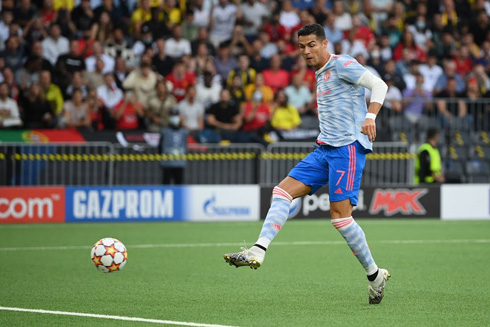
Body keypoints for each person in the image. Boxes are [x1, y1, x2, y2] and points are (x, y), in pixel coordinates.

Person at [224, 23, 391, 304]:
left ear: (325, 44)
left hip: (347, 148)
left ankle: (374, 276)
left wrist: (371, 116)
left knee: (340, 218)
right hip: (324, 148)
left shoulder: (342, 65)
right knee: (281, 192)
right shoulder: (320, 73)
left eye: (312, 45)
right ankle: (258, 250)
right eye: (302, 46)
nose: (306, 51)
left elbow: (379, 84)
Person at [159, 109, 188, 185]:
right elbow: (160, 146)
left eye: (176, 116)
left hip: (179, 162)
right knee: (166, 183)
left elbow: (185, 144)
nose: (175, 118)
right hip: (167, 163)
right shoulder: (165, 131)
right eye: (172, 116)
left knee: (179, 184)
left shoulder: (184, 131)